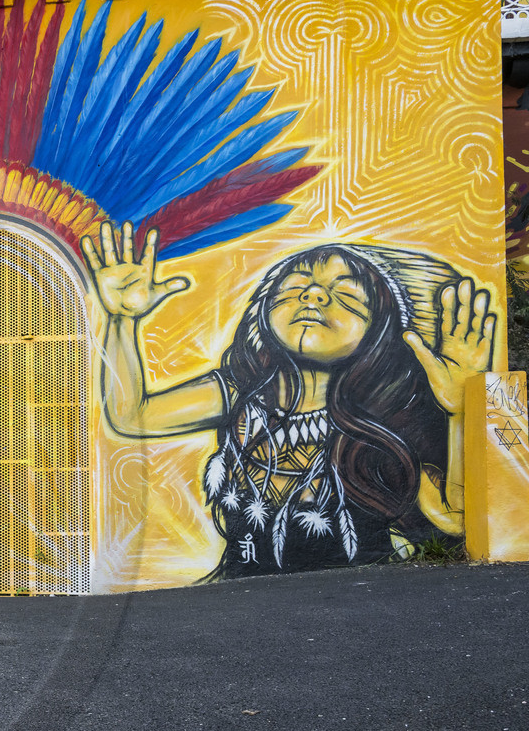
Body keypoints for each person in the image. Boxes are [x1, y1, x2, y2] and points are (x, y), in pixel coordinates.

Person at [84, 221, 495, 578]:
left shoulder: (384, 423)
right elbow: (132, 416)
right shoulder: (242, 394)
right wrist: (122, 319)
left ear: (381, 332)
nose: (313, 295)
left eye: (347, 295)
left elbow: (457, 517)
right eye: (296, 284)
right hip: (230, 615)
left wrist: (459, 410)